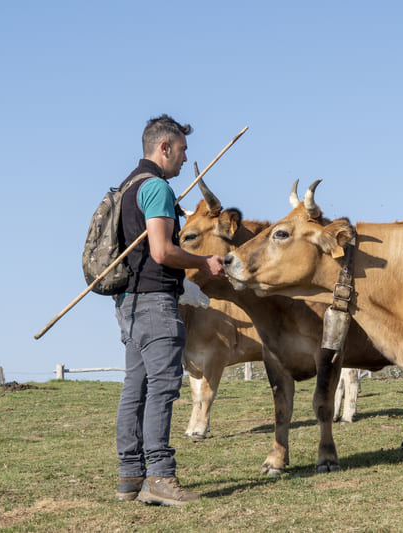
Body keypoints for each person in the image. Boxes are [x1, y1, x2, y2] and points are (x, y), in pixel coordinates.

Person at [113, 115, 225, 506]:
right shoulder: (156, 188)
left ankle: (130, 475)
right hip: (157, 303)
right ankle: (159, 476)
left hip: (128, 303)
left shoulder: (128, 186)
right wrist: (203, 260)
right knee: (162, 389)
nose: (183, 158)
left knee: (136, 388)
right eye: (181, 151)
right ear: (164, 148)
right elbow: (162, 251)